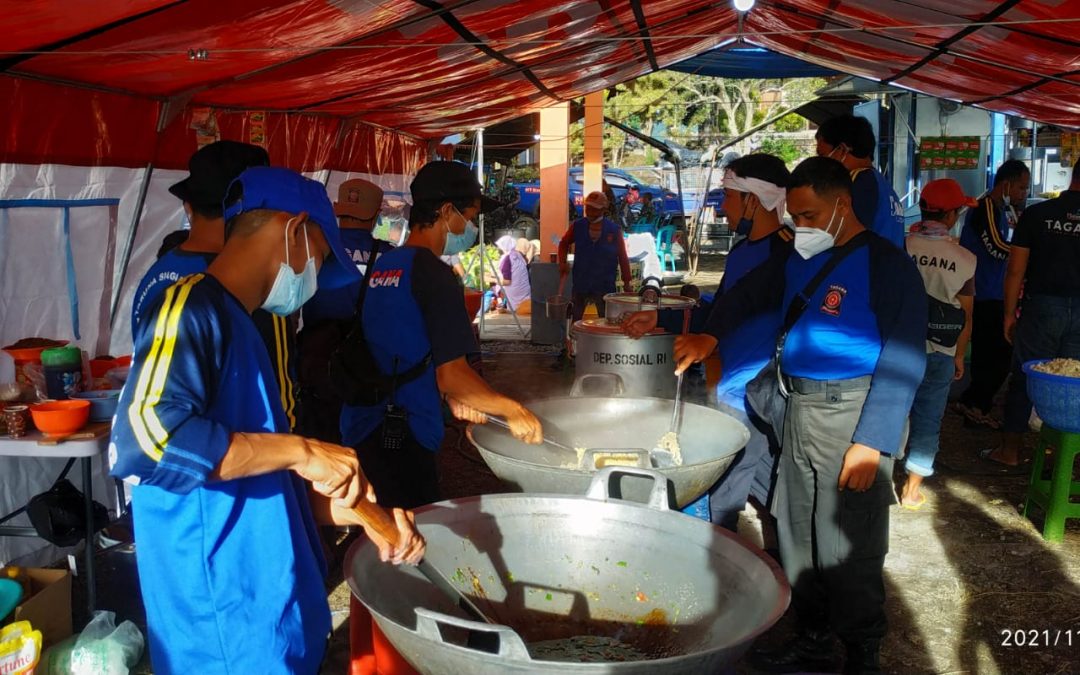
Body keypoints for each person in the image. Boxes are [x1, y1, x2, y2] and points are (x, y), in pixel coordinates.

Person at [109, 166, 425, 673]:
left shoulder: (247, 325)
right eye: (319, 255)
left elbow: (256, 473)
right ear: (293, 229)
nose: (315, 276)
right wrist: (303, 450)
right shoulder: (189, 308)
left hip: (273, 612)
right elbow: (146, 440)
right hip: (224, 629)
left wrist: (365, 515)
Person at [674, 157, 926, 673]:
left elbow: (904, 358)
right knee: (795, 528)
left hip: (850, 413)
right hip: (797, 406)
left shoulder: (886, 264)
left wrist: (872, 440)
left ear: (842, 205)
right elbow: (749, 294)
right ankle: (812, 638)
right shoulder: (797, 256)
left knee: (849, 539)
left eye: (810, 215)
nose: (801, 226)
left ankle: (862, 653)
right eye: (795, 216)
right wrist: (709, 335)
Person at [339, 161, 543, 509]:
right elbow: (452, 374)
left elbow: (401, 343)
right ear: (447, 211)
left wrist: (454, 396)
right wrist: (512, 410)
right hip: (406, 430)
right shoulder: (435, 275)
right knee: (414, 526)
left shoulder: (385, 264)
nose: (471, 228)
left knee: (376, 519)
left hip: (363, 421)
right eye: (470, 216)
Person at [625, 153, 794, 530]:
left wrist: (709, 337)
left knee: (725, 493)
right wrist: (660, 317)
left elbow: (747, 302)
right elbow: (720, 308)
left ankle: (726, 554)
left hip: (756, 391)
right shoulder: (742, 251)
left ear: (754, 200)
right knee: (763, 485)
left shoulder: (785, 254)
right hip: (729, 386)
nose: (722, 207)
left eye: (728, 197)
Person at [130, 141, 302, 430]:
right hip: (239, 448)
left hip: (168, 443)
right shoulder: (246, 287)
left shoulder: (158, 273)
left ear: (188, 206)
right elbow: (280, 400)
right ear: (256, 214)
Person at [982, 164, 1080, 467]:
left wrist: (1009, 314)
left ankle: (1010, 451)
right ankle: (1062, 459)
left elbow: (1015, 270)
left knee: (1026, 376)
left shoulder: (1037, 215)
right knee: (1072, 384)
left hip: (1041, 309)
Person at [900, 179, 977, 508]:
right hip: (941, 350)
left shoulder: (900, 246)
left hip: (899, 347)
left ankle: (876, 473)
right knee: (929, 417)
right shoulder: (965, 258)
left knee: (891, 408)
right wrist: (959, 356)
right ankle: (911, 490)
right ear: (951, 215)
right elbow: (965, 316)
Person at [296, 178, 384, 443]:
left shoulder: (313, 247)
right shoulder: (388, 256)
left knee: (320, 431)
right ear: (376, 215)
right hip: (366, 367)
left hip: (316, 362)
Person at [954, 160, 1030, 430]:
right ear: (1006, 184)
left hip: (997, 291)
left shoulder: (1005, 210)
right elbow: (996, 246)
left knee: (995, 355)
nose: (1023, 193)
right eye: (1021, 187)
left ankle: (975, 404)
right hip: (982, 292)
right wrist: (1024, 253)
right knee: (995, 355)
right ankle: (973, 403)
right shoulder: (984, 207)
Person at [815, 115, 905, 247]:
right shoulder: (882, 184)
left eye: (822, 155)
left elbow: (844, 239)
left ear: (842, 149)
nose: (820, 163)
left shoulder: (858, 183)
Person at [558, 190, 633, 321]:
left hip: (604, 284)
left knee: (607, 321)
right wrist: (562, 262)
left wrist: (627, 281)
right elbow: (563, 243)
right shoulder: (577, 226)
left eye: (594, 209)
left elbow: (622, 256)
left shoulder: (614, 230)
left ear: (603, 209)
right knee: (575, 320)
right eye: (588, 208)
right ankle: (573, 334)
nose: (590, 212)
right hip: (581, 282)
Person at [495, 235, 532, 315]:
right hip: (525, 292)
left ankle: (505, 306)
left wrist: (492, 280)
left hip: (515, 294)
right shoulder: (518, 255)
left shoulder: (507, 259)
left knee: (497, 287)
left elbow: (507, 281)